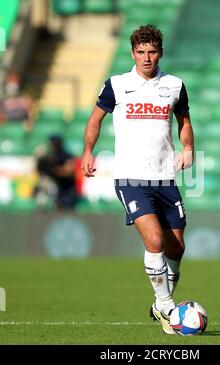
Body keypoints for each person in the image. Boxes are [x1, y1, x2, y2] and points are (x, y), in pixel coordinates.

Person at [81, 25, 194, 334]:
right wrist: (88, 151)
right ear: (132, 53)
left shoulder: (174, 85)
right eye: (141, 52)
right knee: (155, 240)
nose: (147, 58)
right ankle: (167, 307)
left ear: (161, 52)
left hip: (165, 178)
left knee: (177, 246)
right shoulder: (117, 85)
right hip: (131, 177)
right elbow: (94, 120)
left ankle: (161, 303)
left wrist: (188, 147)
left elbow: (184, 120)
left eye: (152, 52)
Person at [35, 135, 78, 210]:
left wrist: (54, 170)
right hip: (53, 188)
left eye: (55, 143)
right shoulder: (47, 157)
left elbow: (69, 172)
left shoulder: (66, 155)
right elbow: (39, 171)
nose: (53, 145)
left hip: (66, 189)